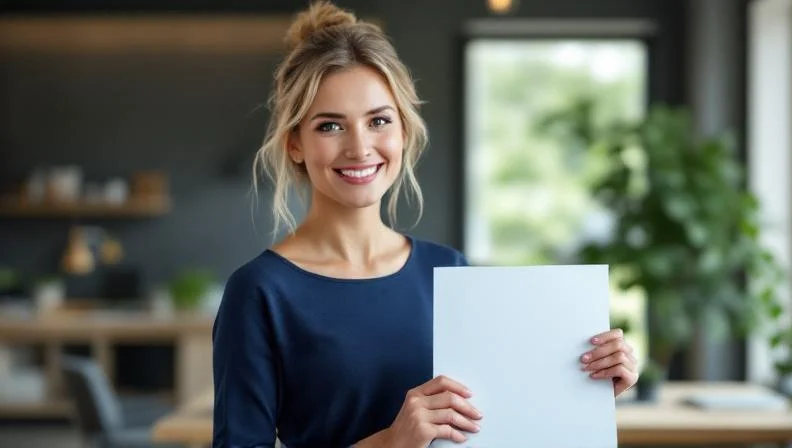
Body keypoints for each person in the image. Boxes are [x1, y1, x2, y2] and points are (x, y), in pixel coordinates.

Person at [211, 2, 639, 447]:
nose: (360, 148)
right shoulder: (260, 292)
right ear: (295, 143)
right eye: (330, 126)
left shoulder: (449, 270)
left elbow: (496, 422)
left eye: (379, 120)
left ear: (404, 132)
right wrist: (391, 442)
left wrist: (587, 383)